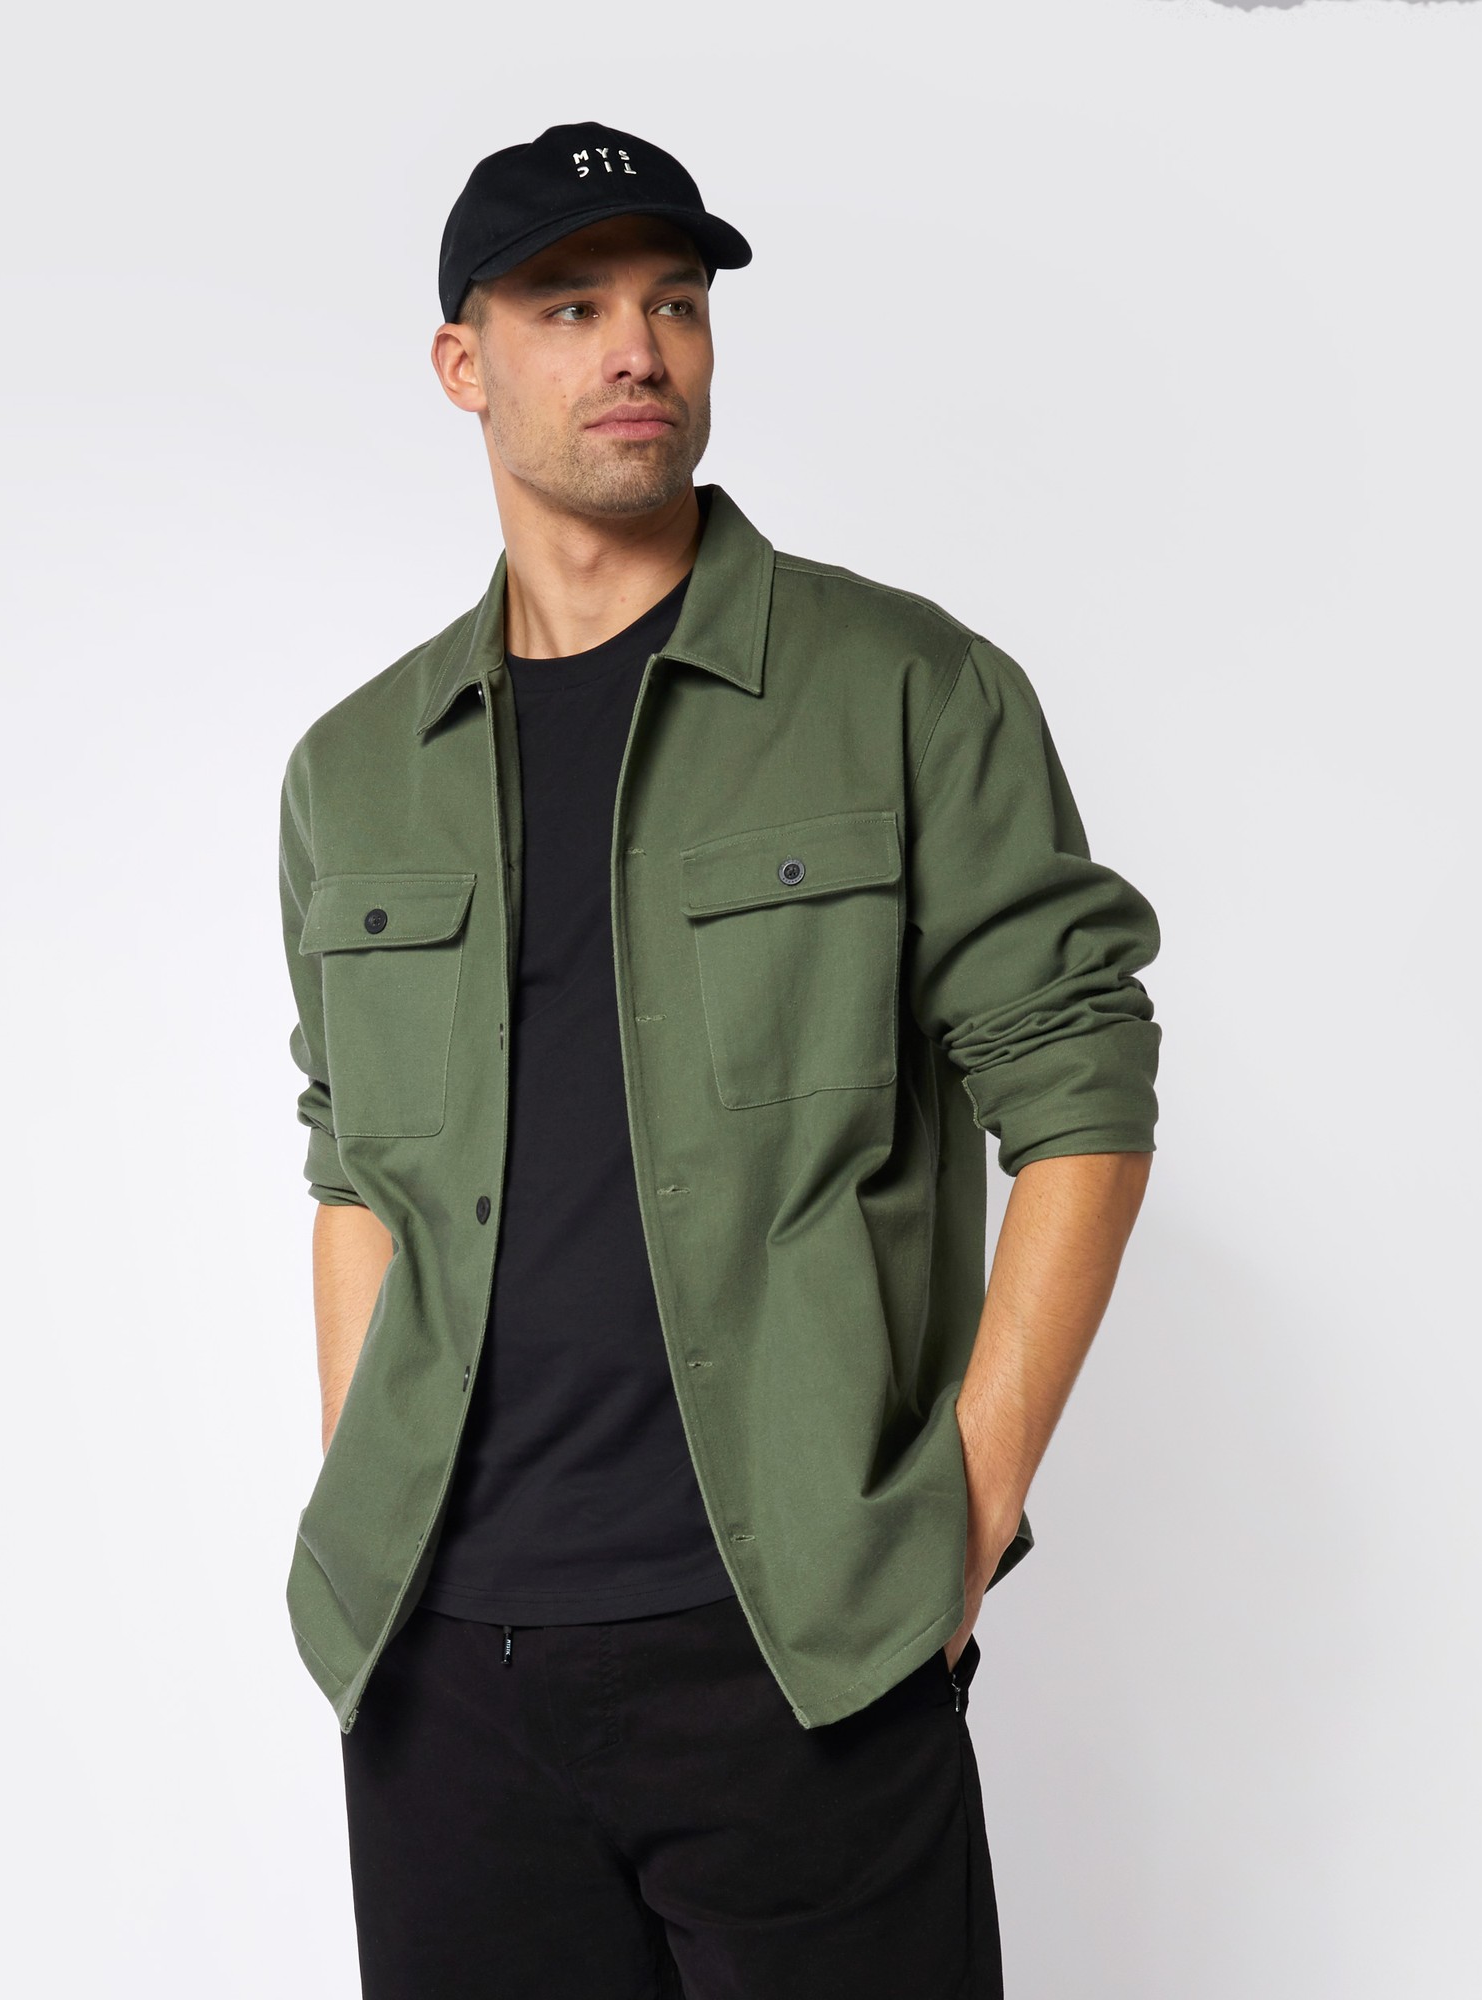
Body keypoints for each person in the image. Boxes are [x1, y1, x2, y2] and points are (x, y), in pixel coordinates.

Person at [275, 119, 1160, 2000]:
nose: (638, 349)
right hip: (443, 1675)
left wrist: (959, 1520)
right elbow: (355, 1167)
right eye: (570, 304)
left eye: (674, 303)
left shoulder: (905, 687)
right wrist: (368, 1501)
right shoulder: (353, 771)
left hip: (798, 1651)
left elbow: (1080, 1086)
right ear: (460, 364)